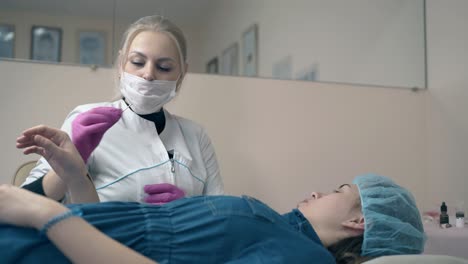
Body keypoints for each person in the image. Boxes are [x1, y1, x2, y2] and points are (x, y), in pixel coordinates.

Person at [0, 125, 425, 263]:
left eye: (339, 190)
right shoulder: (280, 229)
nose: (319, 191)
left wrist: (45, 214)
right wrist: (76, 179)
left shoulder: (303, 257)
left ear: (359, 221)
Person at [21, 15, 224, 204]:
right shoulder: (87, 121)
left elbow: (223, 217)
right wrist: (72, 163)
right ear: (121, 65)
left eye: (164, 67)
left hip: (186, 242)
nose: (148, 74)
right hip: (104, 241)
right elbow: (25, 203)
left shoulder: (196, 136)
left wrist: (190, 210)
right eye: (137, 62)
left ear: (182, 73)